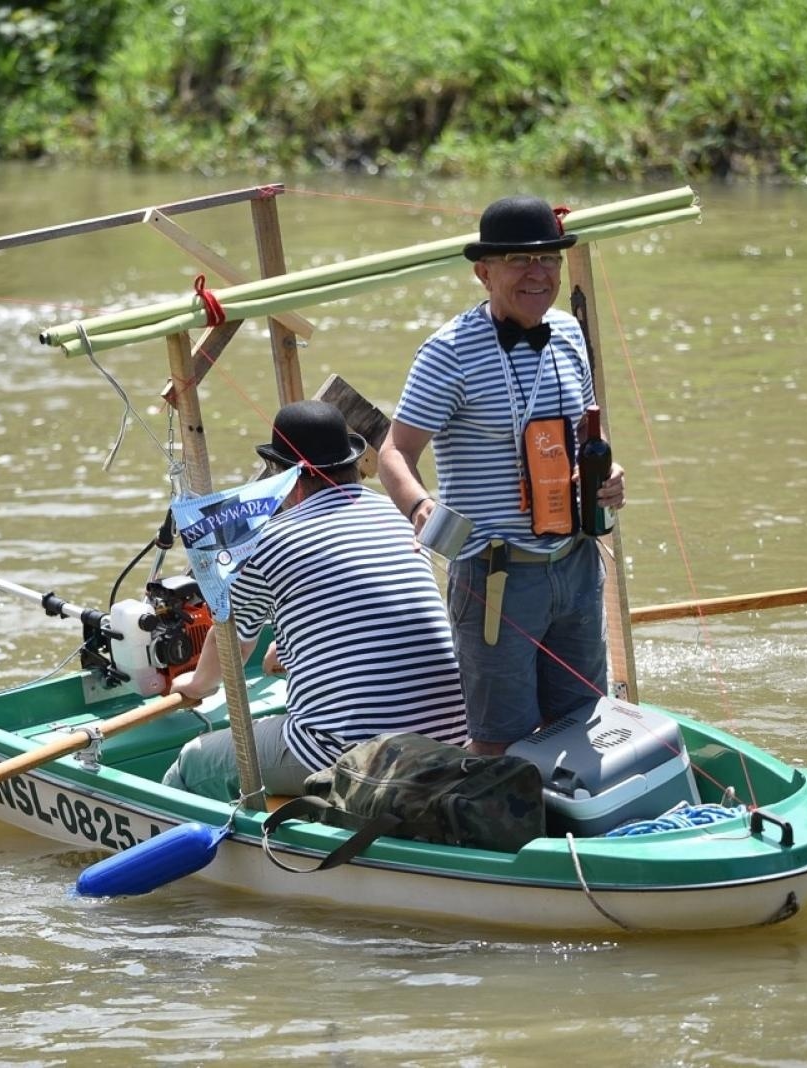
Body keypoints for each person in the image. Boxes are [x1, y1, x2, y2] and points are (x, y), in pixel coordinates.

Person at [378, 194, 626, 756]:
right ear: (483, 271)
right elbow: (395, 449)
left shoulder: (566, 334)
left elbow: (586, 437)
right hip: (496, 576)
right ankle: (506, 835)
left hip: (577, 562)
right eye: (519, 260)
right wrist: (423, 511)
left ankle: (578, 834)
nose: (538, 273)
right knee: (499, 739)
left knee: (585, 722)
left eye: (550, 260)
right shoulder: (449, 352)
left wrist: (609, 476)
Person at [162, 400, 469, 802]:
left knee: (192, 764)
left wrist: (196, 683)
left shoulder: (265, 541)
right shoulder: (397, 515)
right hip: (451, 735)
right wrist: (288, 647)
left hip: (352, 753)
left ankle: (200, 859)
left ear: (288, 478)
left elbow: (234, 642)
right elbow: (363, 611)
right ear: (353, 465)